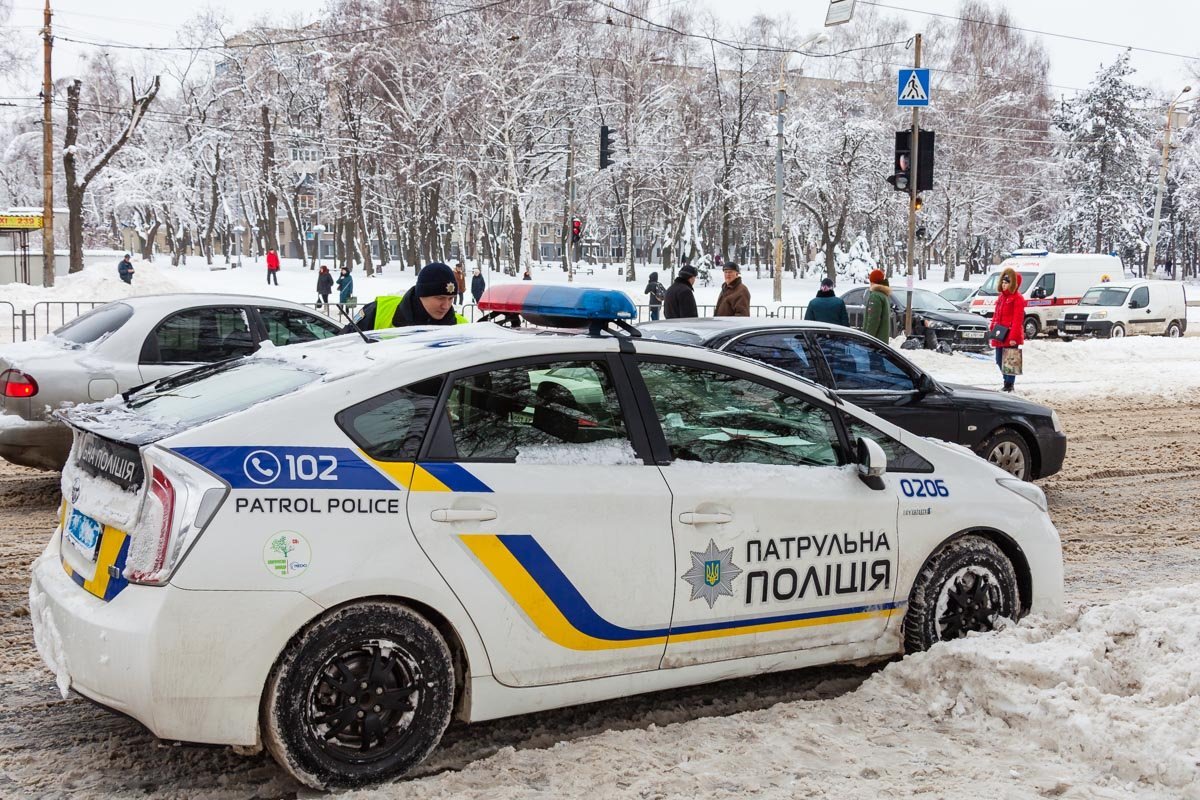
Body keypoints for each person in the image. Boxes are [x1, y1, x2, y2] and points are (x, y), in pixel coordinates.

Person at [341, 261, 463, 333]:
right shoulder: (379, 310)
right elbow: (345, 344)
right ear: (421, 295)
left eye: (451, 298)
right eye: (440, 298)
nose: (446, 305)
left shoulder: (463, 326)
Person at [990, 266, 1027, 392]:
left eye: (1007, 283)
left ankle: (1009, 384)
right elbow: (996, 314)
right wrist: (993, 327)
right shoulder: (1001, 297)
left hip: (1010, 333)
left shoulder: (1018, 298)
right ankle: (1006, 381)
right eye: (1003, 282)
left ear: (1012, 284)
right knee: (999, 360)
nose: (1004, 285)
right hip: (1000, 333)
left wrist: (1013, 337)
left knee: (1010, 360)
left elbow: (1018, 320)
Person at [863, 268, 892, 343]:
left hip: (874, 343)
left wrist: (866, 339)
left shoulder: (875, 296)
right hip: (881, 341)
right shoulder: (883, 295)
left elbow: (873, 321)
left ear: (873, 282)